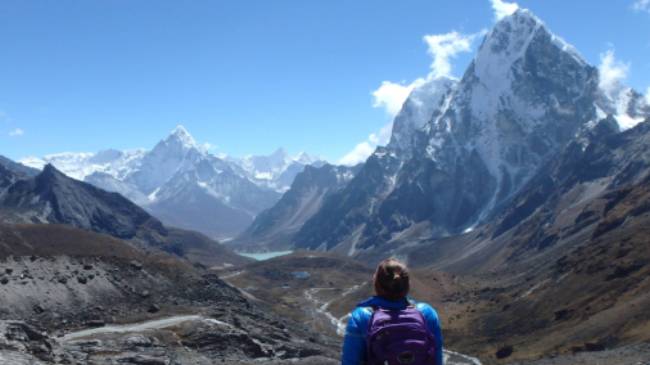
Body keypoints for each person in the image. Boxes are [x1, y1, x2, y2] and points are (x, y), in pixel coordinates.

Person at [341, 258, 443, 365]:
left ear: (377, 284)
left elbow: (350, 361)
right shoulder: (426, 313)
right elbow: (437, 359)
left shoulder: (362, 316)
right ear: (407, 285)